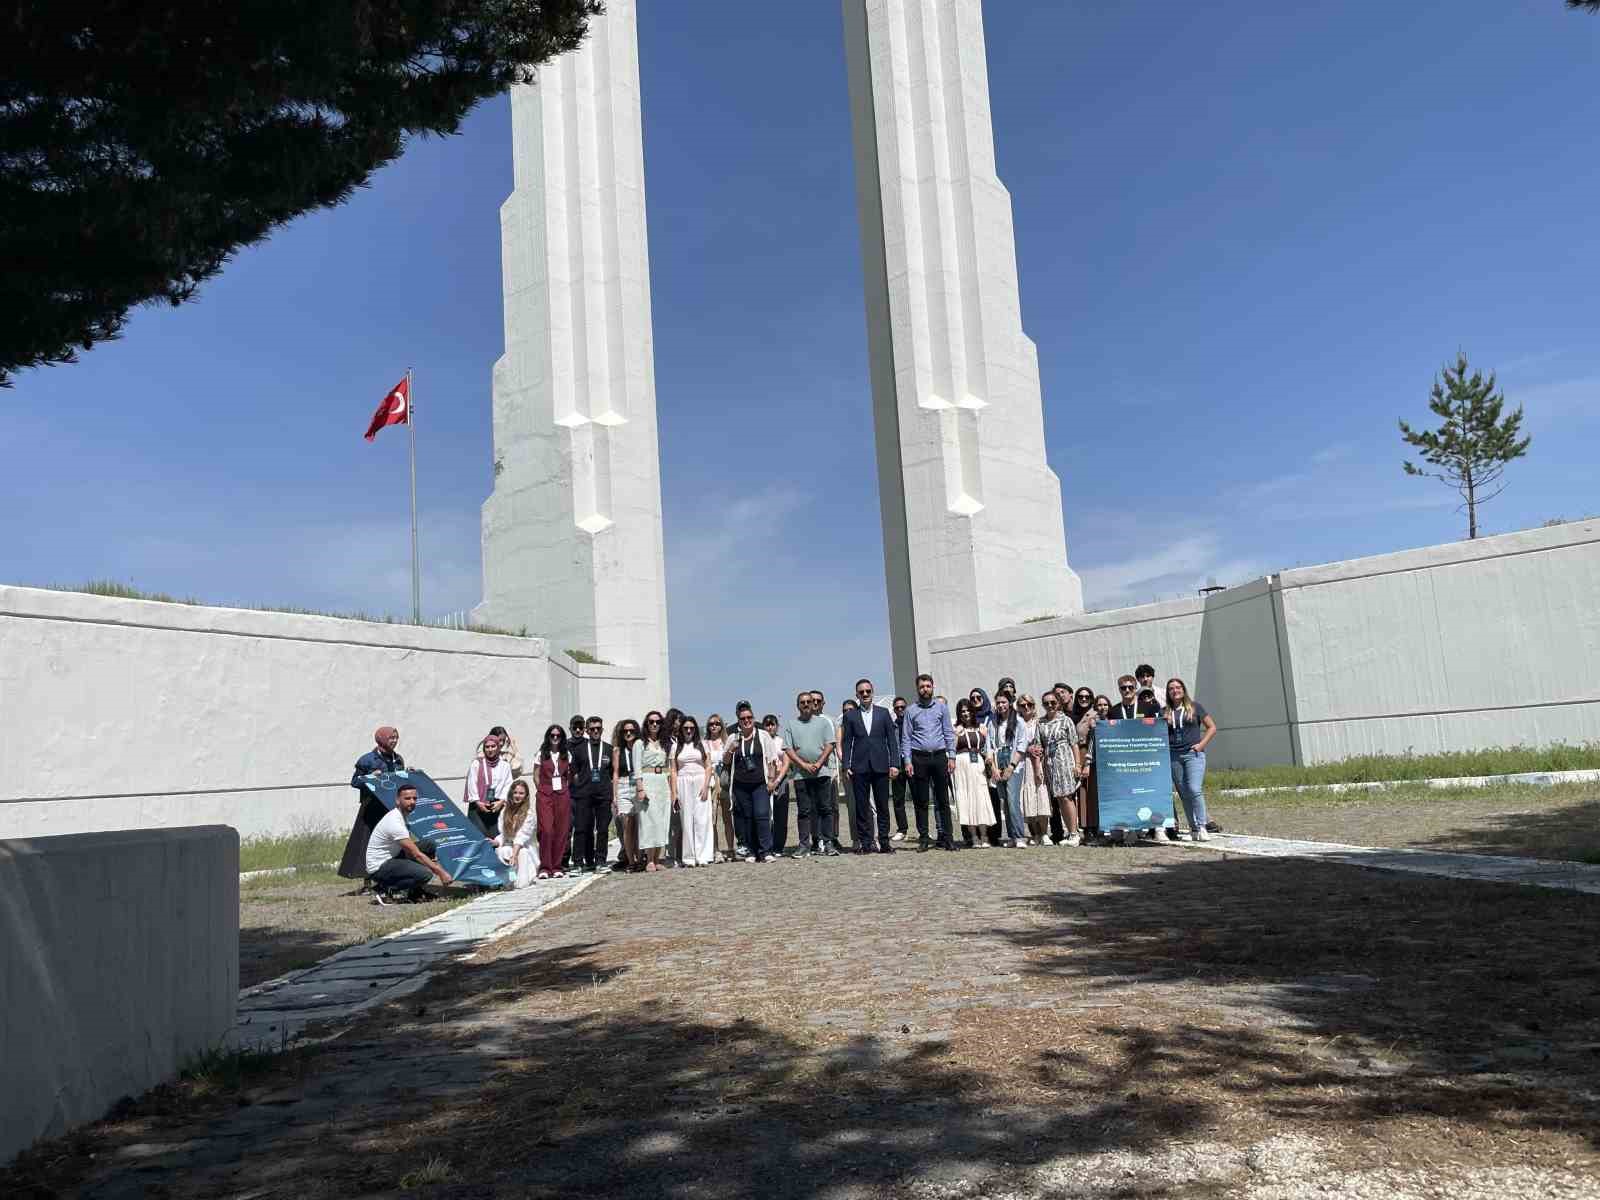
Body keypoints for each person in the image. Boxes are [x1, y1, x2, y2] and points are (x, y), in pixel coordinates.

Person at [841, 678, 902, 854]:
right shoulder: (850, 716)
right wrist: (846, 765)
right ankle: (865, 843)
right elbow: (847, 742)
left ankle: (884, 842)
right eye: (861, 692)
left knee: (883, 806)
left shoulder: (884, 713)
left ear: (872, 692)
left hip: (881, 766)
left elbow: (892, 741)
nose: (865, 694)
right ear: (857, 695)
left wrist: (894, 764)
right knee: (861, 807)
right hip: (859, 767)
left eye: (868, 691)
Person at [367, 782, 452, 902]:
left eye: (414, 798)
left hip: (393, 857)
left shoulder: (402, 815)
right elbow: (416, 854)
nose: (412, 802)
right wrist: (440, 871)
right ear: (398, 801)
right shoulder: (394, 821)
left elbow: (410, 849)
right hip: (379, 867)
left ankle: (415, 893)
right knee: (425, 874)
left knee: (428, 845)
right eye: (407, 798)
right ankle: (384, 889)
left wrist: (428, 860)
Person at [721, 702, 784, 863]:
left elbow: (771, 759)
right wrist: (731, 749)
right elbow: (725, 761)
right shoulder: (733, 737)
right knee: (747, 818)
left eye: (749, 717)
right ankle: (751, 851)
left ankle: (766, 850)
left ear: (754, 718)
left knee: (762, 814)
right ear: (739, 720)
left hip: (760, 783)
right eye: (743, 718)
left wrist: (771, 781)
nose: (746, 720)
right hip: (740, 785)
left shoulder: (763, 735)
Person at [340, 725, 405, 880]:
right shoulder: (367, 760)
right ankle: (367, 881)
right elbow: (355, 782)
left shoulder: (398, 759)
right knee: (367, 843)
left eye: (396, 738)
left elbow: (400, 782)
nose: (394, 741)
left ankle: (394, 876)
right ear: (381, 739)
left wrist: (408, 774)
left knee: (394, 841)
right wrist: (370, 777)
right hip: (372, 808)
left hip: (391, 808)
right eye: (391, 738)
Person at [901, 674, 956, 852]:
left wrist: (952, 756)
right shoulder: (911, 711)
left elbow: (948, 732)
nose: (925, 689)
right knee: (921, 801)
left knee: (943, 800)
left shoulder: (941, 708)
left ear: (933, 687)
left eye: (928, 686)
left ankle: (948, 838)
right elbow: (906, 738)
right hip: (919, 758)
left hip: (939, 757)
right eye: (922, 686)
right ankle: (924, 838)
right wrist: (907, 761)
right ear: (917, 689)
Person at [1164, 678, 1217, 842]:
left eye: (1178, 687)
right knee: (1184, 793)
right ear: (1168, 692)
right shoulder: (1164, 711)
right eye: (1171, 688)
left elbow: (1212, 727)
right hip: (1173, 756)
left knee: (1194, 789)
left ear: (1183, 689)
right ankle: (1193, 828)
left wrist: (1201, 745)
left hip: (1193, 754)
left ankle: (1202, 826)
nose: (1175, 690)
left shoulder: (1195, 707)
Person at [781, 693, 830, 859]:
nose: (806, 704)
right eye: (803, 702)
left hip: (822, 772)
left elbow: (830, 744)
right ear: (798, 706)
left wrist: (819, 763)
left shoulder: (823, 723)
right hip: (801, 775)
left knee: (825, 809)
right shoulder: (791, 724)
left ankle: (828, 843)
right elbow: (788, 749)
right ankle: (804, 845)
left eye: (809, 701)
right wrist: (803, 765)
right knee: (804, 812)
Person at [1036, 692, 1083, 846]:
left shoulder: (1066, 720)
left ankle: (1074, 833)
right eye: (1046, 703)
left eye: (1053, 702)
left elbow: (1074, 743)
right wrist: (1039, 767)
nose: (1050, 705)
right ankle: (1070, 832)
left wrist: (1077, 764)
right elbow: (1039, 745)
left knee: (1067, 797)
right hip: (1050, 763)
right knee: (1059, 799)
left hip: (1065, 760)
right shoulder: (1040, 722)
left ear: (1058, 703)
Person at [570, 716, 613, 874]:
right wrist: (580, 786)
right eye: (592, 729)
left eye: (598, 728)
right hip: (584, 794)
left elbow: (611, 772)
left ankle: (600, 861)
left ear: (602, 730)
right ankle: (578, 863)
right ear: (587, 731)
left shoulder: (608, 749)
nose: (596, 731)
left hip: (603, 795)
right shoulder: (579, 749)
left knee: (602, 829)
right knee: (581, 828)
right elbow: (574, 772)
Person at [951, 699, 996, 848]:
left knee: (981, 798)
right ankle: (974, 836)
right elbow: (952, 749)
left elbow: (989, 747)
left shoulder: (981, 727)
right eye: (962, 711)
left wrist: (989, 757)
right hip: (962, 764)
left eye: (968, 710)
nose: (966, 714)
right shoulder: (956, 729)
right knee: (966, 799)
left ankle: (984, 835)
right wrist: (956, 734)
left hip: (978, 764)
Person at [672, 715, 716, 867]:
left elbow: (708, 766)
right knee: (686, 820)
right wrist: (674, 793)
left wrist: (705, 786)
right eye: (686, 728)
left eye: (691, 728)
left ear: (695, 729)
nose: (689, 731)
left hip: (700, 782)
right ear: (681, 730)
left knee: (702, 820)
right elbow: (673, 771)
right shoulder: (675, 746)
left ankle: (702, 855)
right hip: (683, 783)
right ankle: (689, 857)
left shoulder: (703, 744)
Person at [532, 724, 574, 879]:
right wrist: (541, 789)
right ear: (548, 737)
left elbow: (569, 775)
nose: (555, 738)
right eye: (552, 735)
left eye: (558, 735)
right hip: (545, 793)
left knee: (561, 830)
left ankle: (557, 866)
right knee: (546, 830)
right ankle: (545, 867)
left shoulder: (566, 754)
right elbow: (536, 775)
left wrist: (565, 788)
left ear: (562, 738)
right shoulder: (541, 754)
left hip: (562, 794)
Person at [637, 711, 673, 872]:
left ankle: (658, 858)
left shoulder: (665, 743)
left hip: (662, 781)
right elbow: (637, 767)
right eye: (651, 722)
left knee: (662, 820)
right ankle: (649, 859)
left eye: (657, 722)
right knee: (649, 820)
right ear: (646, 724)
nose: (654, 724)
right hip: (648, 781)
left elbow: (669, 766)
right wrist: (640, 788)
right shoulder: (640, 743)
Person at [463, 730, 515, 841]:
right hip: (478, 806)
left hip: (497, 806)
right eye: (487, 747)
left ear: (498, 747)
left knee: (495, 838)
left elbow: (508, 785)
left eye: (493, 746)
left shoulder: (504, 765)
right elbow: (472, 783)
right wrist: (478, 802)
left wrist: (501, 802)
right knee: (479, 838)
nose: (490, 749)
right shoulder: (477, 763)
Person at [1014, 695, 1051, 844]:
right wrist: (1027, 749)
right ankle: (1034, 833)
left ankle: (1044, 833)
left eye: (1029, 704)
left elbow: (1044, 742)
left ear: (1034, 706)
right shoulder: (1016, 724)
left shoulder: (1039, 723)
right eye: (1023, 705)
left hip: (1038, 762)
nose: (1026, 707)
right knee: (1027, 798)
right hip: (1022, 762)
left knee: (1040, 794)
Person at [989, 691, 1024, 847]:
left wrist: (1012, 766)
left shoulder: (1018, 722)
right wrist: (994, 769)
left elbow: (1022, 746)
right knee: (1005, 802)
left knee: (1012, 800)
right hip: (999, 763)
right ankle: (1012, 836)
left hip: (1013, 764)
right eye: (998, 703)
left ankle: (1020, 836)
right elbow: (989, 746)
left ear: (1009, 703)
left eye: (1004, 702)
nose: (1001, 705)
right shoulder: (993, 723)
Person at [808, 691, 841, 855]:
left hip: (830, 768)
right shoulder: (804, 721)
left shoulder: (831, 720)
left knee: (831, 806)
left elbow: (836, 745)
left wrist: (836, 768)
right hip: (810, 769)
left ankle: (832, 837)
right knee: (813, 807)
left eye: (818, 700)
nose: (815, 703)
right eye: (812, 700)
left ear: (823, 703)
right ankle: (816, 839)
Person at [969, 687, 1002, 845]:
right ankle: (976, 834)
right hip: (974, 762)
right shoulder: (969, 718)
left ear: (984, 698)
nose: (976, 700)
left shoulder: (992, 716)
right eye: (973, 698)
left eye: (978, 697)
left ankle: (994, 834)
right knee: (976, 798)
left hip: (990, 760)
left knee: (992, 797)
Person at [494, 778, 538, 890]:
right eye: (515, 793)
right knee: (502, 850)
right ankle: (507, 880)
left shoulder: (529, 814)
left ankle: (522, 877)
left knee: (521, 884)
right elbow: (503, 834)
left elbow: (521, 837)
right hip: (508, 846)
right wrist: (496, 842)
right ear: (511, 794)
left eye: (521, 793)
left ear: (526, 796)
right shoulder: (505, 812)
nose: (518, 796)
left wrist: (514, 855)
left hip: (523, 847)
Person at [611, 718, 643, 871]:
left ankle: (641, 858)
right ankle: (631, 861)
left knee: (640, 824)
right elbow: (615, 773)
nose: (628, 733)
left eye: (631, 731)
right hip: (623, 786)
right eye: (625, 731)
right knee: (627, 825)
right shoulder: (618, 750)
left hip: (638, 784)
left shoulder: (641, 747)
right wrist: (615, 796)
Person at [704, 714, 736, 862]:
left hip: (725, 781)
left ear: (721, 725)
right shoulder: (705, 743)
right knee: (713, 819)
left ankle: (730, 848)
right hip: (711, 782)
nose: (714, 726)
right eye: (711, 724)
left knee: (727, 818)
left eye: (717, 723)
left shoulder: (726, 741)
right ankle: (716, 850)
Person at [1070, 687, 1099, 839]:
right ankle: (1085, 826)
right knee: (1081, 793)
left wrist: (1088, 760)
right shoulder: (1072, 715)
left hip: (1090, 754)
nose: (1083, 699)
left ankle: (1093, 826)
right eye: (1080, 697)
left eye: (1087, 697)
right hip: (1075, 754)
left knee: (1091, 792)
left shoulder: (1094, 714)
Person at [764, 713, 793, 857]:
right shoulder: (761, 741)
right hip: (765, 781)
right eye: (767, 724)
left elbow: (787, 762)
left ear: (777, 726)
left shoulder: (781, 742)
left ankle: (778, 846)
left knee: (780, 815)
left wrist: (777, 780)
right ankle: (766, 844)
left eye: (772, 724)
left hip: (781, 780)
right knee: (766, 815)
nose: (770, 727)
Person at [832, 698, 858, 851]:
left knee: (871, 806)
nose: (847, 713)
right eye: (845, 710)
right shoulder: (841, 728)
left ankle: (873, 838)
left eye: (850, 710)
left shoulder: (863, 724)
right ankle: (856, 839)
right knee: (852, 806)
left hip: (865, 769)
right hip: (848, 770)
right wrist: (847, 763)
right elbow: (839, 749)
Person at [888, 696, 911, 842]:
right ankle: (902, 829)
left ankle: (923, 831)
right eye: (897, 708)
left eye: (902, 707)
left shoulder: (912, 724)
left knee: (919, 799)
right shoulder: (892, 726)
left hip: (912, 763)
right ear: (894, 710)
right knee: (898, 799)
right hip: (897, 764)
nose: (900, 709)